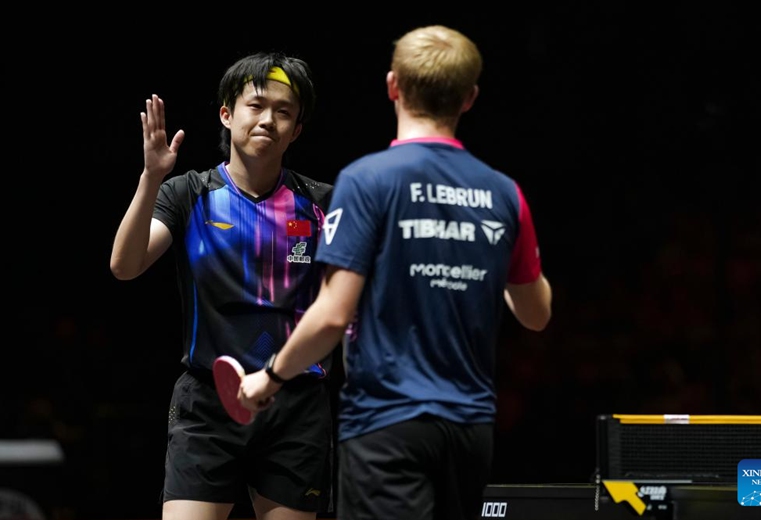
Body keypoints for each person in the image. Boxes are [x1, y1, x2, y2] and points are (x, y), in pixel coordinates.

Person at [238, 25, 553, 520]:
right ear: (469, 98)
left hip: (386, 425)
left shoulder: (368, 180)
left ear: (393, 86)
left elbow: (331, 314)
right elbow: (536, 313)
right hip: (470, 432)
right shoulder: (503, 194)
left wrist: (270, 377)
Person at [109, 51, 336, 520]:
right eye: (256, 105)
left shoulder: (321, 204)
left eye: (284, 111)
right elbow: (125, 266)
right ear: (227, 114)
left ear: (296, 130)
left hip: (294, 406)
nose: (268, 120)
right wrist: (152, 178)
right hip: (208, 402)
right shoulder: (188, 193)